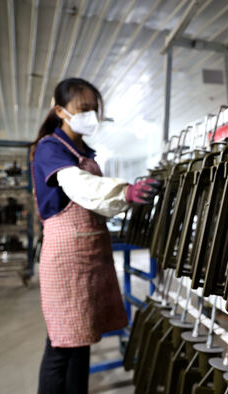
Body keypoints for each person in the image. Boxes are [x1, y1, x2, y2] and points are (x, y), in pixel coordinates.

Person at [30, 78, 159, 394]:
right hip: (65, 260)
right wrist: (125, 192)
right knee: (62, 345)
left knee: (82, 339)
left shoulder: (84, 151)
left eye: (94, 110)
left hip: (88, 256)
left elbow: (95, 204)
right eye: (83, 109)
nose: (91, 115)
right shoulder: (51, 148)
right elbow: (79, 187)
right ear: (61, 111)